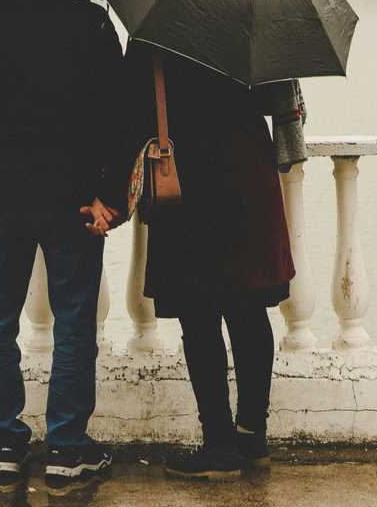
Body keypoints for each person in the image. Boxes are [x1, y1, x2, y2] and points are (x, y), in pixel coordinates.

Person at [0, 0, 128, 495]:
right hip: (72, 196)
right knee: (74, 322)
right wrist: (110, 194)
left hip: (4, 194)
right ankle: (66, 451)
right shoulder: (91, 23)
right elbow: (118, 116)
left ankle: (6, 447)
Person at [121, 43, 295, 480]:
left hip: (184, 174)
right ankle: (252, 437)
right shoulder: (250, 15)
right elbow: (279, 100)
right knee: (249, 309)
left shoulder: (154, 31)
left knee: (199, 317)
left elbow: (131, 109)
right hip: (246, 171)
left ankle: (219, 443)